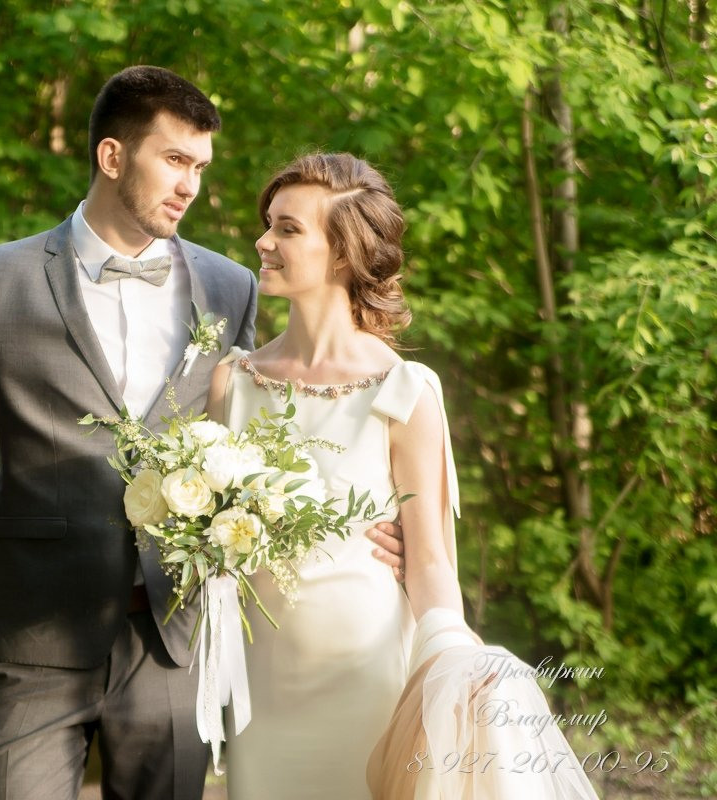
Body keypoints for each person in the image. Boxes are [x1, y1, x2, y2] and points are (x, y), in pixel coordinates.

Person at [0, 70, 404, 800]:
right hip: (31, 639)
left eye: (201, 167)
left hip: (173, 640)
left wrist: (361, 525)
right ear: (112, 156)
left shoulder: (230, 286)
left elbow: (264, 435)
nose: (191, 186)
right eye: (175, 160)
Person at [209, 152, 598, 799]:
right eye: (268, 224)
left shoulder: (405, 391)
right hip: (259, 687)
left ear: (343, 253)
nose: (263, 242)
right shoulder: (232, 383)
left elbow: (430, 562)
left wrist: (457, 659)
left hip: (368, 679)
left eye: (287, 229)